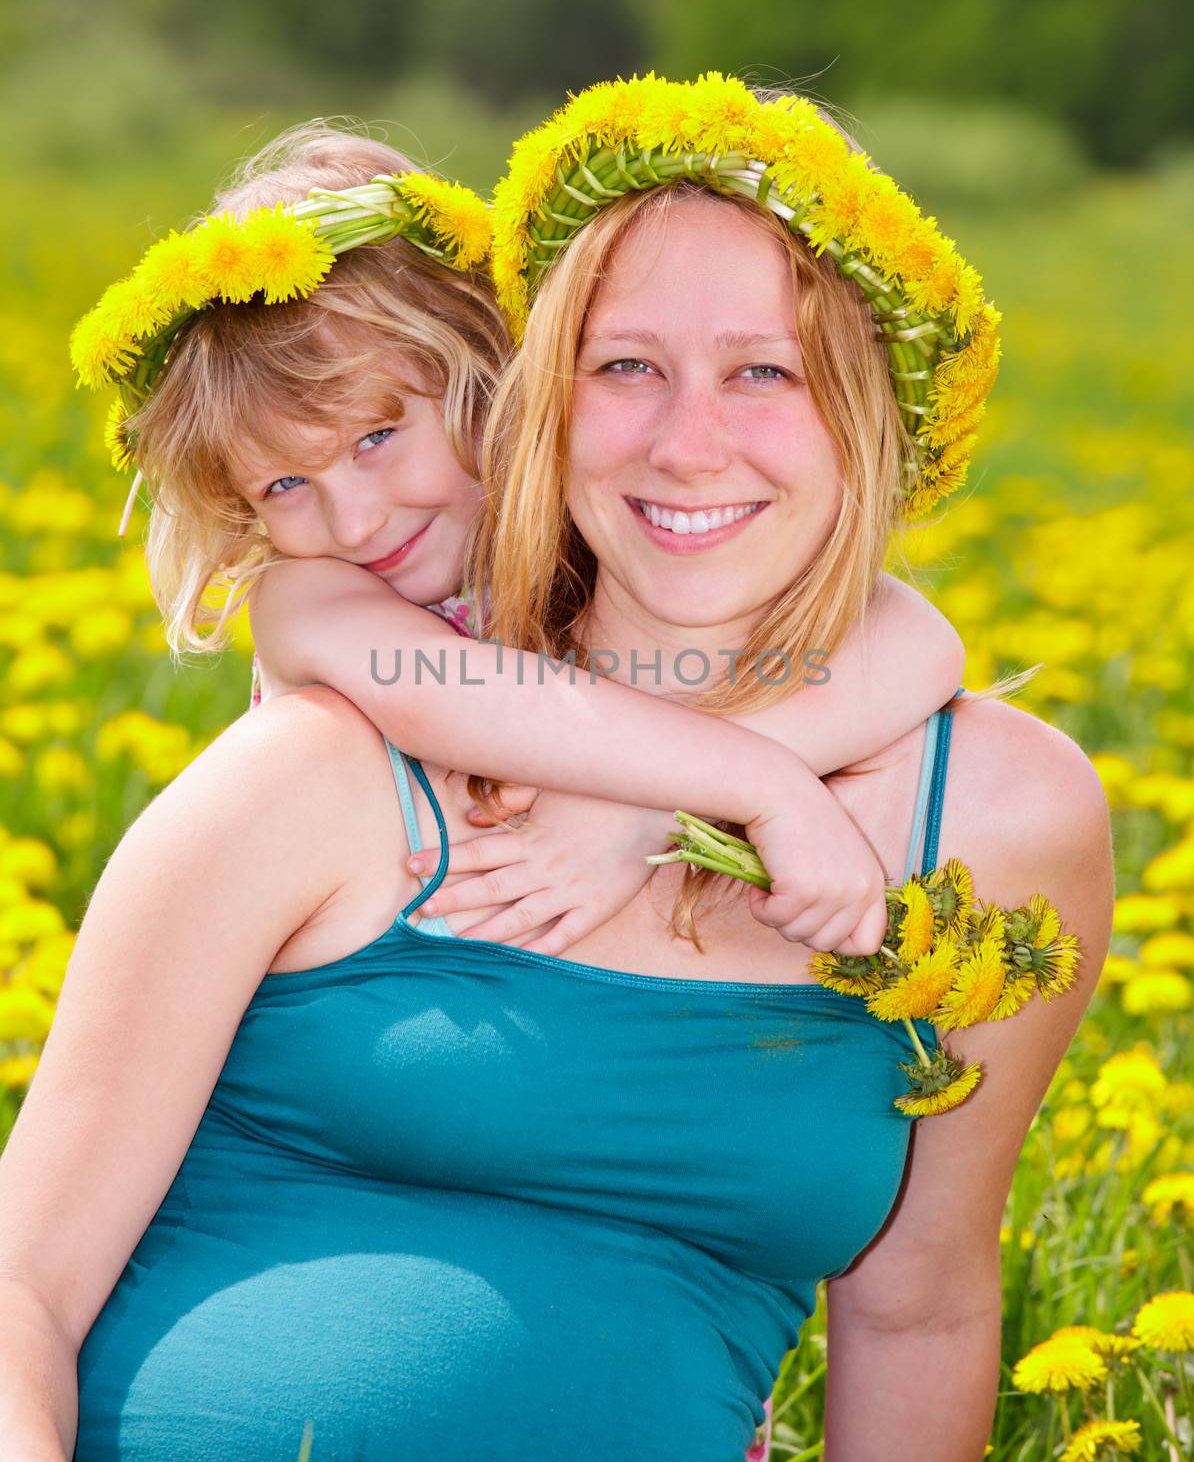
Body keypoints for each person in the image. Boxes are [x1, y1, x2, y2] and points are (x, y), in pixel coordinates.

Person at [0, 84, 1107, 1461]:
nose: (686, 440)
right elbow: (17, 1285)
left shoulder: (990, 815)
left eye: (762, 371)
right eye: (627, 367)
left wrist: (665, 797)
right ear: (547, 393)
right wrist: (729, 787)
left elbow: (921, 1310)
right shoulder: (334, 710)